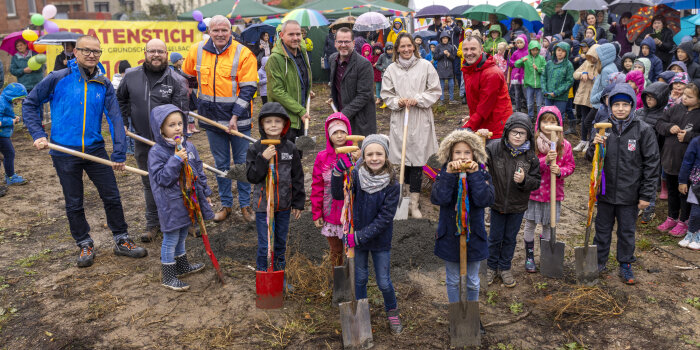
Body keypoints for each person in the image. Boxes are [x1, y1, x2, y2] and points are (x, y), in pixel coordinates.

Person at [23, 35, 147, 267]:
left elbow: (115, 119)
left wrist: (119, 153)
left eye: (96, 52)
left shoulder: (103, 82)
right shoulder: (58, 78)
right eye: (86, 50)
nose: (91, 55)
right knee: (74, 202)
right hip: (63, 151)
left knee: (111, 196)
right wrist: (38, 135)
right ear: (76, 53)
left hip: (95, 149)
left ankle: (121, 239)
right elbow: (29, 104)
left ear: (100, 55)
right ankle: (84, 243)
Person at [183, 15, 259, 223]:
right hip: (211, 121)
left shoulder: (243, 54)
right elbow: (186, 77)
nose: (220, 34)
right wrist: (191, 104)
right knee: (221, 164)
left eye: (224, 30)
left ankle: (245, 205)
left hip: (238, 121)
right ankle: (226, 205)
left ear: (230, 31)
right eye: (215, 30)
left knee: (242, 164)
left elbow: (249, 89)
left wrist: (234, 116)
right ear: (208, 31)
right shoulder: (196, 51)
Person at [117, 39, 190, 242]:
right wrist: (123, 121)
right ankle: (153, 224)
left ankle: (187, 221)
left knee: (178, 181)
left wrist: (177, 141)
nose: (156, 55)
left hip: (168, 144)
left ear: (166, 54)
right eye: (152, 51)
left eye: (160, 51)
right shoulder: (131, 76)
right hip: (141, 140)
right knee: (150, 182)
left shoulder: (176, 79)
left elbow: (181, 113)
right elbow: (120, 99)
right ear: (145, 53)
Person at [586, 84, 659, 284]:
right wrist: (595, 146)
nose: (620, 108)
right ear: (610, 106)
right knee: (602, 230)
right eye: (616, 104)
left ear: (632, 106)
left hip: (630, 195)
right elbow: (590, 159)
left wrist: (646, 195)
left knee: (627, 231)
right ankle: (599, 261)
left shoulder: (643, 130)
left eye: (624, 105)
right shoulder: (602, 127)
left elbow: (652, 164)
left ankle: (625, 263)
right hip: (605, 192)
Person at [330, 134, 403, 335]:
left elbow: (384, 219)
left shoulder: (392, 184)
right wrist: (338, 172)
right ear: (363, 155)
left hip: (379, 240)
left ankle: (392, 311)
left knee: (383, 281)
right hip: (358, 239)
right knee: (360, 278)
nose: (374, 158)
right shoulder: (355, 175)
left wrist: (359, 237)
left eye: (379, 153)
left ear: (386, 156)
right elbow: (338, 195)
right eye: (369, 154)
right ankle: (362, 311)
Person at [431, 129, 493, 332]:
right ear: (449, 155)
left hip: (474, 236)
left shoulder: (482, 173)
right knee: (452, 279)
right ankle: (456, 314)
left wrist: (474, 175)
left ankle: (471, 313)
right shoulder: (444, 173)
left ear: (474, 154)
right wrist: (449, 174)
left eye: (467, 152)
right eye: (457, 152)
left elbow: (485, 199)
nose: (462, 157)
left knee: (473, 281)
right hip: (449, 235)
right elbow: (439, 199)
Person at [147, 104, 213, 291]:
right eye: (171, 125)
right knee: (171, 236)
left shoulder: (189, 146)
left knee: (184, 231)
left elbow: (198, 170)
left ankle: (182, 265)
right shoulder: (157, 152)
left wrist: (206, 192)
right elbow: (162, 179)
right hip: (170, 202)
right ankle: (168, 275)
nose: (177, 128)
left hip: (188, 199)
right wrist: (175, 160)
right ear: (160, 129)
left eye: (179, 123)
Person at [381, 33, 442, 219]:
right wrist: (398, 101)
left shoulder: (425, 66)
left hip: (419, 117)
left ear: (414, 48)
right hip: (401, 118)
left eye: (409, 46)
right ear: (397, 49)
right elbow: (386, 93)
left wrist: (418, 99)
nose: (406, 49)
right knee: (403, 160)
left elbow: (435, 90)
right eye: (402, 46)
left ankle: (414, 204)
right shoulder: (391, 69)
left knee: (417, 160)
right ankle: (404, 200)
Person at [246, 102, 305, 290]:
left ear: (285, 125)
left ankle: (280, 277)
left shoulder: (290, 149)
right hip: (263, 207)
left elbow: (297, 177)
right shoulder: (255, 149)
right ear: (262, 125)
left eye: (277, 121)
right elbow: (252, 176)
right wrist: (263, 158)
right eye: (268, 121)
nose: (273, 125)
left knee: (280, 244)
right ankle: (263, 276)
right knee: (265, 245)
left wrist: (298, 202)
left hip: (284, 205)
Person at [485, 113, 541, 287]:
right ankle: (491, 267)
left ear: (528, 136)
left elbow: (536, 182)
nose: (517, 136)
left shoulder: (530, 157)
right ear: (507, 132)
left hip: (518, 206)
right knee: (494, 237)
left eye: (522, 133)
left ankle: (505, 267)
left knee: (510, 238)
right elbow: (480, 159)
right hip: (497, 203)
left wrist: (524, 180)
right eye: (514, 132)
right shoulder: (494, 149)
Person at [523, 107, 575, 272]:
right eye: (545, 121)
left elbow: (570, 166)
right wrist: (545, 160)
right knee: (530, 224)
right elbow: (528, 166)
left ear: (559, 124)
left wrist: (560, 171)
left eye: (552, 121)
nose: (548, 125)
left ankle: (545, 255)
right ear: (539, 123)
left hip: (553, 193)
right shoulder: (532, 144)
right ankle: (529, 256)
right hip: (534, 192)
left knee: (548, 225)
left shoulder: (564, 145)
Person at [311, 113, 355, 270]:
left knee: (351, 249)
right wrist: (316, 213)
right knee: (335, 250)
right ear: (328, 135)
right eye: (335, 132)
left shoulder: (354, 155)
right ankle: (337, 279)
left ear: (348, 132)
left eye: (342, 131)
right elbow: (317, 186)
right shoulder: (322, 158)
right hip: (330, 213)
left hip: (351, 213)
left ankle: (353, 277)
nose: (339, 135)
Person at [656, 83, 700, 237]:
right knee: (672, 191)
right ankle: (672, 217)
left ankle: (684, 220)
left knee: (685, 193)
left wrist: (688, 136)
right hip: (669, 158)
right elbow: (659, 123)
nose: (684, 98)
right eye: (684, 95)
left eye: (689, 96)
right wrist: (669, 127)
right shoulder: (675, 108)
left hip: (688, 164)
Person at [266, 20, 312, 151]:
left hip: (300, 118)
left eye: (298, 34)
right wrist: (300, 110)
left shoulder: (302, 52)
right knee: (285, 160)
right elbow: (276, 90)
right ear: (281, 35)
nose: (296, 38)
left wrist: (306, 90)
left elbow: (300, 78)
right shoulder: (275, 59)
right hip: (284, 120)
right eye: (291, 34)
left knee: (298, 158)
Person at [461, 36, 513, 141]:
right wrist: (472, 118)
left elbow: (485, 107)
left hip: (495, 129)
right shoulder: (468, 70)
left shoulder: (491, 74)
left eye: (473, 49)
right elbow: (476, 100)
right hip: (482, 123)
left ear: (481, 50)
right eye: (466, 49)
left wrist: (467, 127)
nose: (469, 53)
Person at [329, 28, 377, 136]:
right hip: (341, 119)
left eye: (347, 41)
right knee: (342, 151)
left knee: (358, 151)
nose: (343, 45)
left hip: (361, 120)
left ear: (353, 43)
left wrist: (343, 114)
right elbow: (336, 83)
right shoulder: (333, 60)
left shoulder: (364, 64)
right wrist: (332, 96)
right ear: (335, 43)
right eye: (340, 41)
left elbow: (364, 95)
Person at [636, 81, 670, 224]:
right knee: (637, 180)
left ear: (661, 98)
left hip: (653, 155)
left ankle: (650, 209)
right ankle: (637, 205)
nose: (649, 100)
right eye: (647, 97)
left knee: (650, 181)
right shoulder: (638, 112)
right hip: (636, 153)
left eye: (653, 97)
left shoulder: (664, 115)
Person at [573, 44, 600, 151]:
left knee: (591, 120)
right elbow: (575, 74)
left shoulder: (600, 66)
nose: (592, 59)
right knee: (584, 119)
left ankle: (590, 141)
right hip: (584, 96)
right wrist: (582, 73)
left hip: (593, 98)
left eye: (594, 57)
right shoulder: (586, 63)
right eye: (591, 56)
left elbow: (602, 80)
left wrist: (593, 78)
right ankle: (583, 140)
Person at [0, 83, 28, 185]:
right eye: (19, 99)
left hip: (4, 134)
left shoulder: (6, 102)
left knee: (9, 154)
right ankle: (10, 177)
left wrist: (15, 117)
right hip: (1, 135)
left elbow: (6, 114)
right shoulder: (1, 102)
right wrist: (11, 121)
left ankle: (9, 175)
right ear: (12, 96)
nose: (19, 101)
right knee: (9, 153)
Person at [542, 42, 574, 126]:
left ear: (566, 53)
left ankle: (558, 135)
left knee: (558, 116)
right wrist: (544, 89)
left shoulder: (568, 65)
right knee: (547, 115)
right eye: (558, 50)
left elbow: (569, 81)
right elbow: (544, 77)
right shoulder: (549, 63)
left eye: (563, 51)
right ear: (555, 51)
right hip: (548, 95)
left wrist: (557, 92)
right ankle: (547, 134)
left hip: (561, 97)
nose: (560, 52)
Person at [514, 39, 546, 121]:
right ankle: (530, 116)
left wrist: (538, 69)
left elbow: (545, 69)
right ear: (530, 50)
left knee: (539, 103)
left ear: (538, 50)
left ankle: (539, 117)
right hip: (529, 84)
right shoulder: (526, 58)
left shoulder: (541, 59)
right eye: (533, 50)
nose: (534, 51)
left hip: (539, 84)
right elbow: (516, 64)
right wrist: (522, 60)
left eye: (536, 50)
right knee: (530, 102)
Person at [678, 135, 700, 250]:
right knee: (695, 212)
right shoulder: (696, 142)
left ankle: (698, 237)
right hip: (697, 183)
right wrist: (682, 180)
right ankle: (691, 233)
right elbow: (687, 162)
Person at [434, 32, 458, 104]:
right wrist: (442, 53)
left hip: (449, 68)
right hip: (441, 68)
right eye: (443, 38)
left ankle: (451, 99)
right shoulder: (438, 47)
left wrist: (449, 55)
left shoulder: (451, 47)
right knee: (441, 85)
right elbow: (435, 57)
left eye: (446, 38)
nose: (445, 40)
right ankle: (441, 100)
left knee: (451, 84)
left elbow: (453, 58)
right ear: (441, 39)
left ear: (448, 39)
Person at [508, 35, 529, 113]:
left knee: (525, 93)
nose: (519, 44)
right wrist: (517, 63)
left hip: (524, 75)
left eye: (521, 42)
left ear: (525, 43)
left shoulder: (528, 52)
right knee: (517, 93)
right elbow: (511, 62)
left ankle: (526, 107)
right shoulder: (515, 53)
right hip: (516, 75)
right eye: (518, 43)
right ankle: (518, 108)